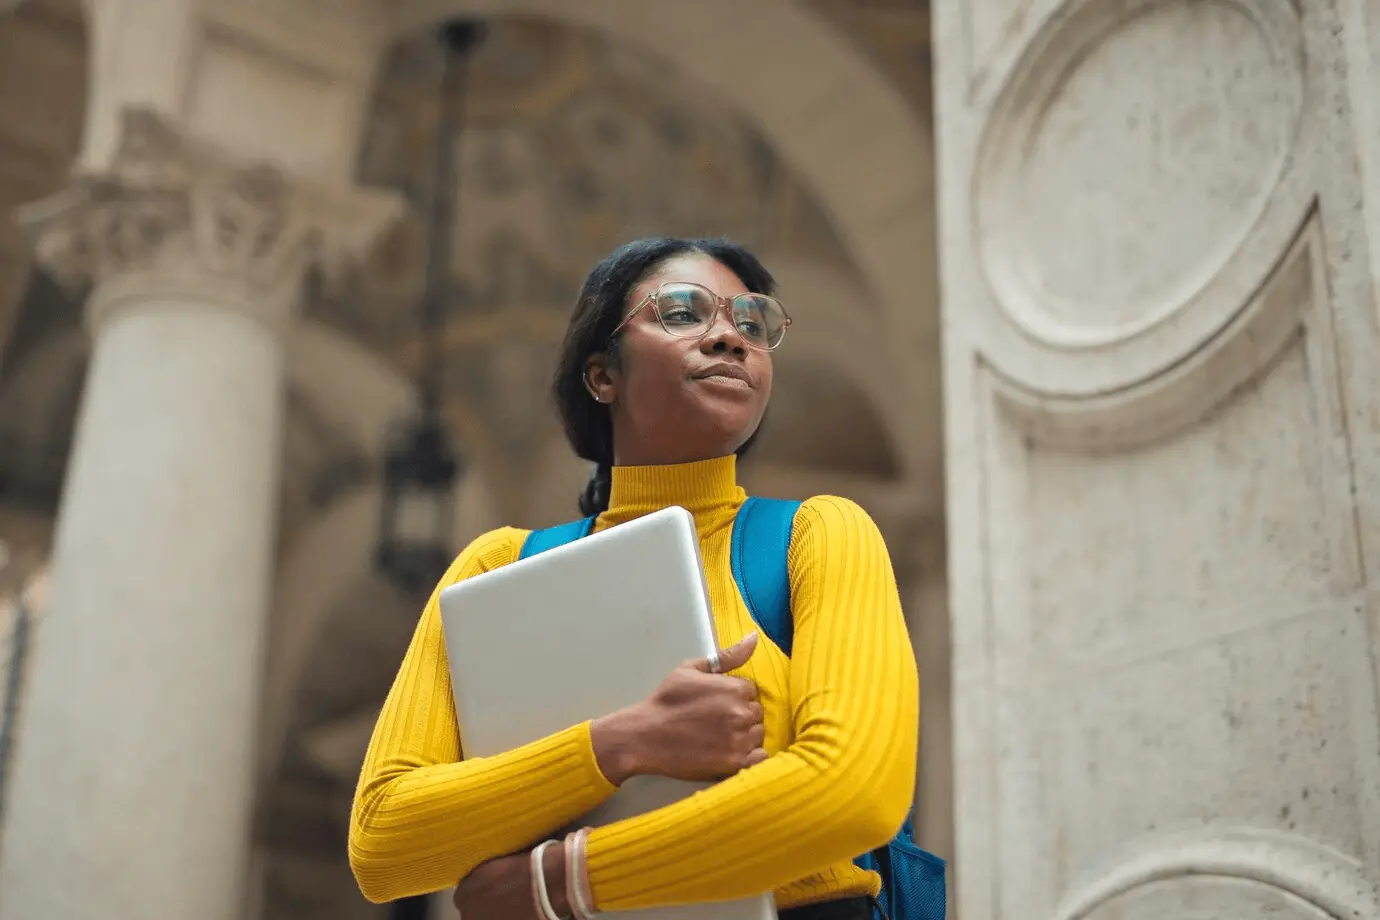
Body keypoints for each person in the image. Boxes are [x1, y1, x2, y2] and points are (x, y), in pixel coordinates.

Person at [349, 237, 919, 920]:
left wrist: (560, 883)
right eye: (682, 312)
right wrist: (627, 741)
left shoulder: (818, 535)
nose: (731, 339)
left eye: (752, 323)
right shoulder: (497, 566)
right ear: (602, 375)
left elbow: (855, 794)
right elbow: (383, 841)